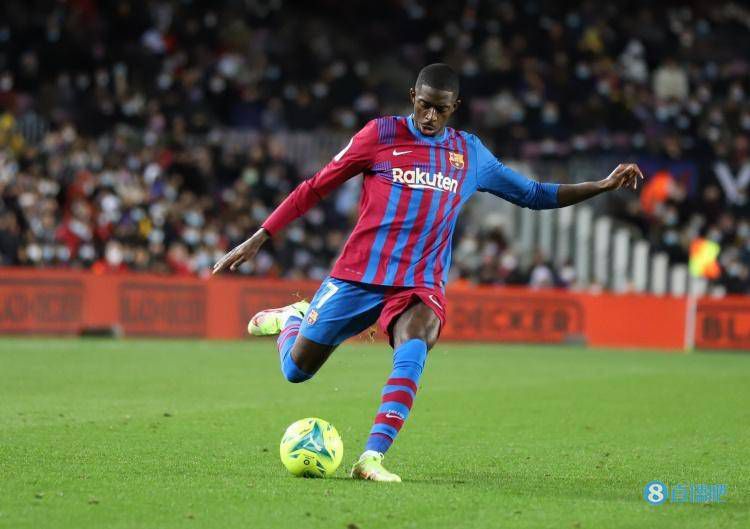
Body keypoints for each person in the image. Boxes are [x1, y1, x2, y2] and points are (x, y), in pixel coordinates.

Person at [212, 63, 643, 482]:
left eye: (441, 108)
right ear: (412, 99)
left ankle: (371, 456)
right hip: (359, 275)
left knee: (416, 341)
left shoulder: (469, 153)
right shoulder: (379, 135)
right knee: (297, 371)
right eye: (424, 105)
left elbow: (533, 194)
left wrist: (601, 186)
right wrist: (261, 235)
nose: (431, 116)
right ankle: (292, 319)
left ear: (454, 107)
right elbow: (316, 185)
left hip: (419, 283)